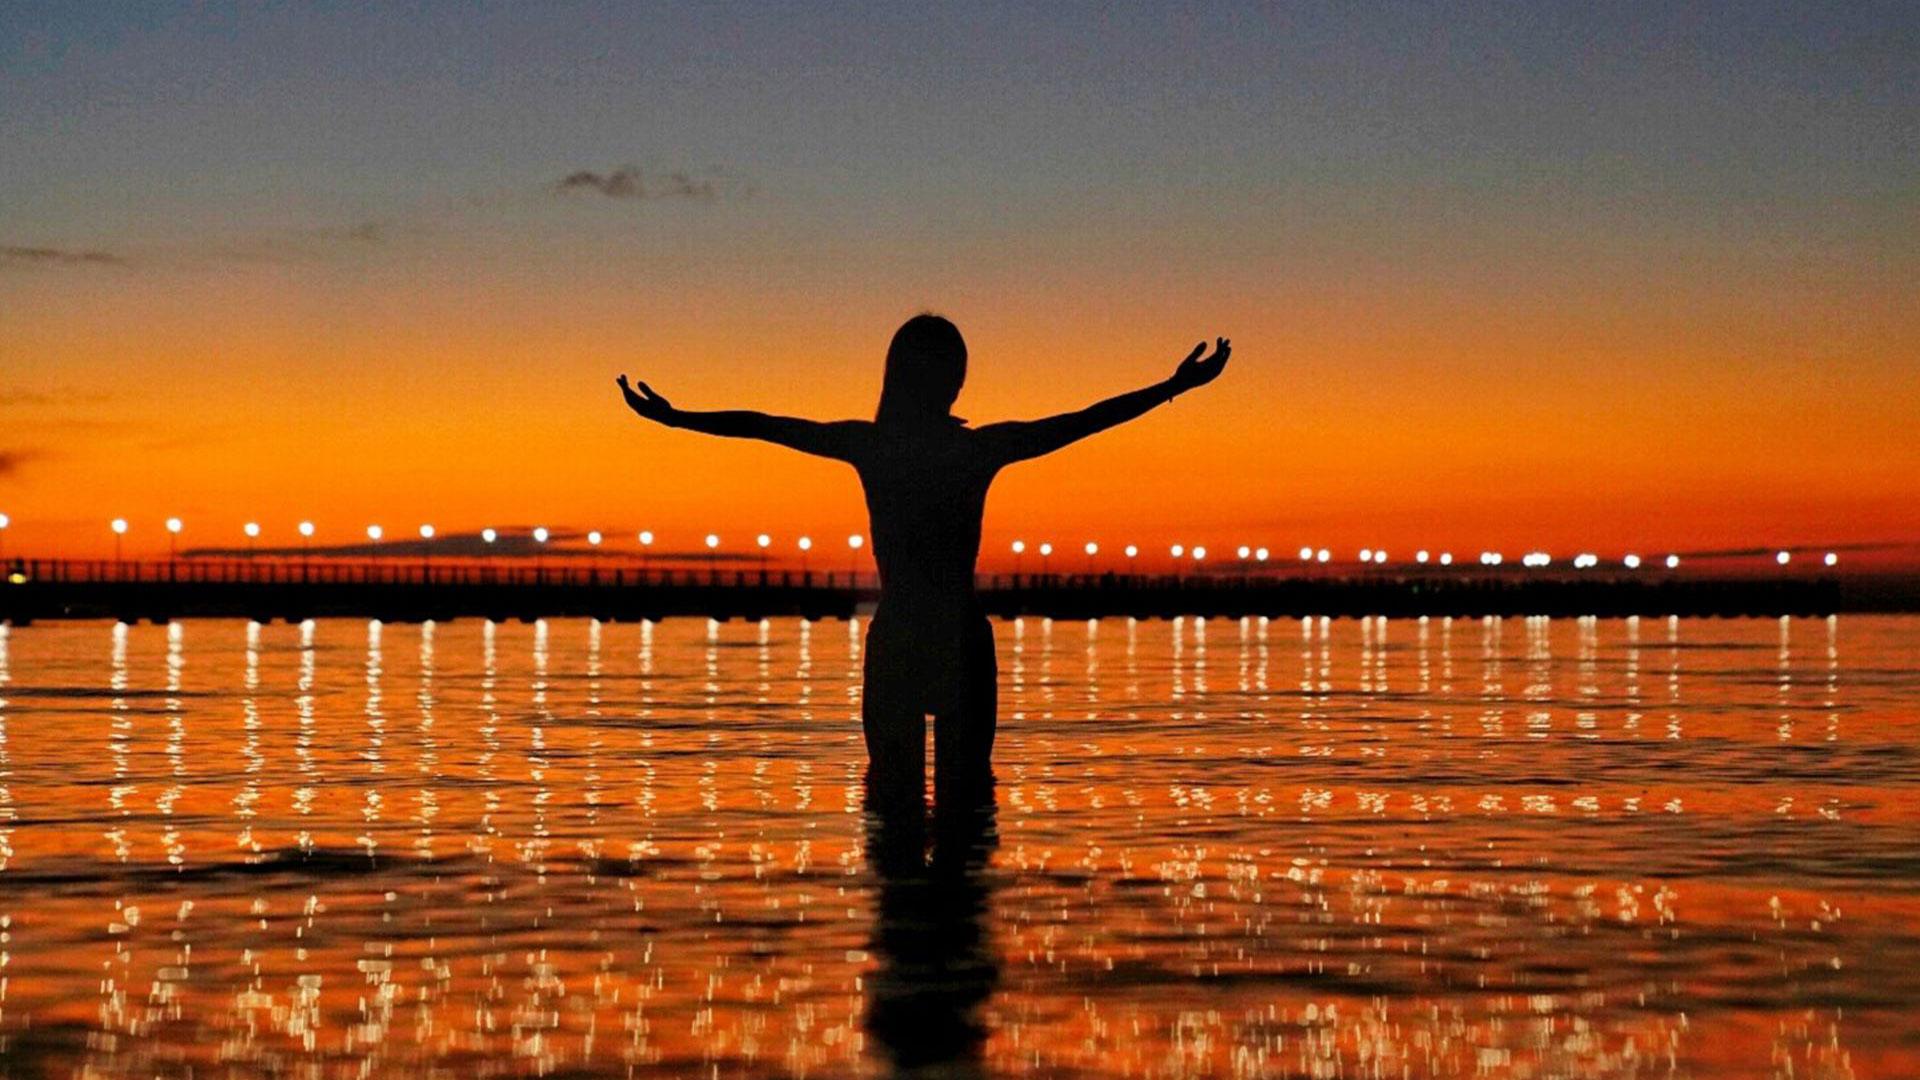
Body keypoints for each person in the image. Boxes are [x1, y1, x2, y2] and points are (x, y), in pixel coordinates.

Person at [617, 314, 1230, 803]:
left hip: (902, 639)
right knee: (965, 810)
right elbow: (1082, 422)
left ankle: (903, 949)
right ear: (955, 381)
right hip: (958, 641)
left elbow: (765, 425)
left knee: (892, 813)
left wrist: (676, 419)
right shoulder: (974, 449)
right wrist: (1172, 387)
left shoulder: (873, 444)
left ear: (894, 376)